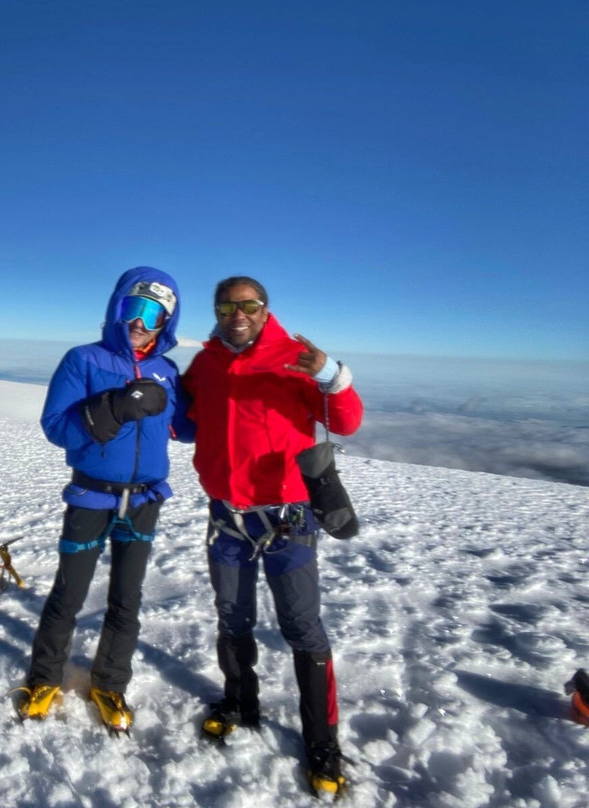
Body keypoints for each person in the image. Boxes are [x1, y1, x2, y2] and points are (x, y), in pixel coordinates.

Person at [182, 276, 363, 797]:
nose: (237, 313)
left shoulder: (294, 357)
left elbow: (346, 422)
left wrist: (332, 376)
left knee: (303, 627)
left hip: (289, 518)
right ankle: (241, 702)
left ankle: (322, 742)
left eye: (248, 304)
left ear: (264, 309)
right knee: (232, 617)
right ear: (216, 312)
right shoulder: (207, 364)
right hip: (227, 516)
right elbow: (189, 420)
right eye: (226, 305)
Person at [16, 268, 192, 732]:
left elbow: (188, 428)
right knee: (68, 594)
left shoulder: (167, 373)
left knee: (126, 600)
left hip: (144, 502)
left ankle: (110, 684)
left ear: (166, 325)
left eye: (155, 315)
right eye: (134, 308)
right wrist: (113, 407)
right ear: (118, 309)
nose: (141, 322)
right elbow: (55, 426)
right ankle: (44, 678)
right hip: (91, 496)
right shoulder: (84, 360)